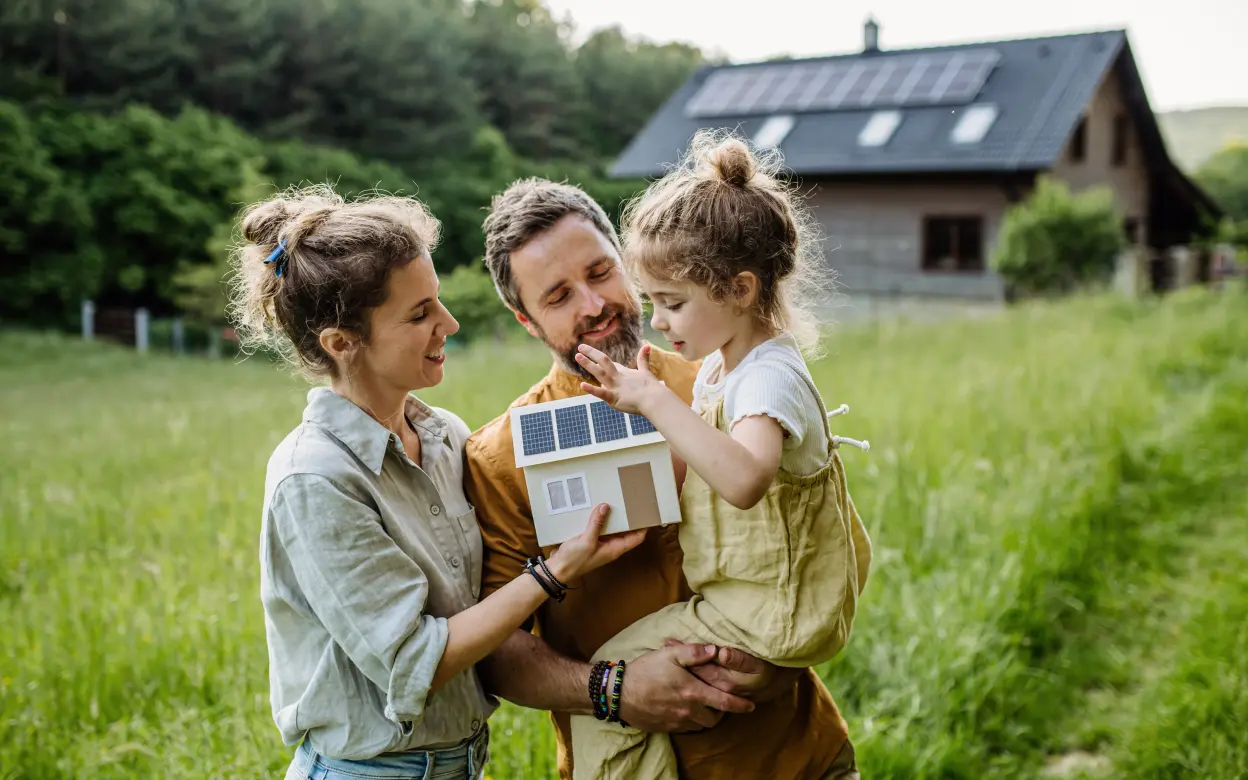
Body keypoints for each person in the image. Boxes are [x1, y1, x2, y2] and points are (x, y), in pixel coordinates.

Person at [228, 185, 643, 780]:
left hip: (461, 762)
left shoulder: (446, 436)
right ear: (343, 344)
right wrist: (553, 573)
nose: (447, 323)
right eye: (419, 315)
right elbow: (414, 660)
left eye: (438, 301)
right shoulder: (314, 479)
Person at [464, 175, 863, 780]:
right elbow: (496, 651)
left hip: (795, 755)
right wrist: (612, 689)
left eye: (600, 273)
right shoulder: (499, 456)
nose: (593, 305)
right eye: (558, 296)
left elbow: (820, 536)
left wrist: (775, 657)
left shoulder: (726, 377)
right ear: (527, 321)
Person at [566, 132, 873, 778]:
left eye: (672, 303)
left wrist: (654, 400)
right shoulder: (723, 368)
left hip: (768, 614)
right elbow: (700, 472)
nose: (658, 321)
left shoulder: (767, 379)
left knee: (607, 691)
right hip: (747, 602)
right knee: (622, 688)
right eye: (652, 301)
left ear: (738, 289)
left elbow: (743, 481)